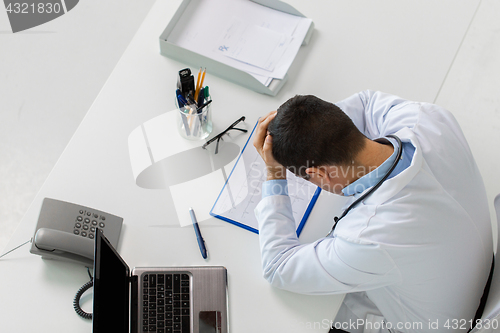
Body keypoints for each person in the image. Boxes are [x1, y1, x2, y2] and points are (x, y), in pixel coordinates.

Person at [252, 91, 493, 333]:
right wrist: (306, 130)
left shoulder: (369, 237)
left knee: (308, 310)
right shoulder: (428, 118)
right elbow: (366, 103)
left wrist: (274, 174)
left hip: (444, 324)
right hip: (476, 272)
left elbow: (277, 266)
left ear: (319, 174)